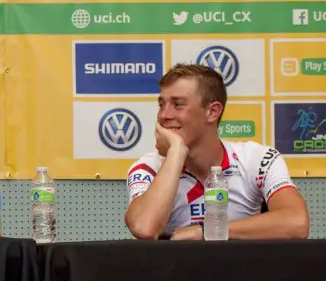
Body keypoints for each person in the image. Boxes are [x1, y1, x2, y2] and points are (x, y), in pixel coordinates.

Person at [124, 63, 309, 241]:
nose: (164, 115)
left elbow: (297, 222)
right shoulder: (148, 167)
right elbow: (145, 228)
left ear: (212, 112)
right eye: (161, 105)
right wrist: (176, 153)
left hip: (241, 271)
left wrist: (207, 231)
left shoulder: (258, 159)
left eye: (178, 104)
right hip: (175, 271)